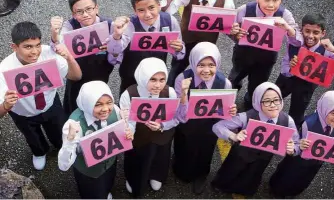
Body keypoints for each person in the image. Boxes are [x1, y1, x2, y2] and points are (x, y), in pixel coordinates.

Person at [0, 21, 82, 170]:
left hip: (51, 104)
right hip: (23, 113)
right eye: (27, 47)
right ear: (14, 47)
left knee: (59, 132)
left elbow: (76, 76)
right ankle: (39, 152)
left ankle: (61, 147)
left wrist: (69, 58)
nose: (35, 52)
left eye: (37, 45)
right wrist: (5, 105)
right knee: (32, 136)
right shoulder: (4, 69)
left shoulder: (48, 53)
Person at [269, 90, 334, 198]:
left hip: (317, 162)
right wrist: (298, 147)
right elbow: (296, 145)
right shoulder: (309, 123)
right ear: (324, 109)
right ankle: (276, 190)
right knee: (287, 177)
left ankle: (294, 192)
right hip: (298, 161)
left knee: (304, 178)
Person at [211, 82, 299, 196]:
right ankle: (220, 186)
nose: (273, 105)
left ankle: (244, 190)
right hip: (240, 156)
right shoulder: (246, 117)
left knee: (252, 175)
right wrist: (233, 136)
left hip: (263, 159)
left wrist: (293, 149)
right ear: (258, 102)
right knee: (231, 171)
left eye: (277, 99)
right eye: (267, 101)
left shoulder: (288, 120)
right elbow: (218, 126)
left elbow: (296, 142)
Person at [50, 0, 129, 115]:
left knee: (98, 104)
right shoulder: (69, 26)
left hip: (101, 74)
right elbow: (57, 47)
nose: (85, 14)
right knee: (74, 106)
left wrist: (116, 38)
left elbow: (116, 56)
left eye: (89, 9)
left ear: (96, 8)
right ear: (73, 14)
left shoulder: (110, 25)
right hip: (77, 77)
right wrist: (54, 35)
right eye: (79, 12)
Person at [172, 42, 237, 194]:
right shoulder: (182, 79)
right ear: (194, 61)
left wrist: (231, 111)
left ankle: (200, 174)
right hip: (186, 125)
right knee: (184, 148)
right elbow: (179, 116)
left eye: (211, 65)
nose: (206, 70)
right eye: (201, 65)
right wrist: (183, 95)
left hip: (209, 128)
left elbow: (225, 112)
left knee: (205, 151)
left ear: (218, 64)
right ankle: (181, 170)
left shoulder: (224, 83)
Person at [277, 13, 334, 128]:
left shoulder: (328, 52)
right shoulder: (295, 41)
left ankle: (290, 133)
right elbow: (285, 64)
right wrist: (291, 68)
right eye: (307, 31)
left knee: (296, 115)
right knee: (273, 99)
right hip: (287, 80)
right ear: (302, 31)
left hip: (306, 88)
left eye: (316, 32)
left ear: (323, 33)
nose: (311, 36)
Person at [119, 57, 189, 197]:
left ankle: (156, 175)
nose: (158, 85)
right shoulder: (128, 94)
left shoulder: (169, 92)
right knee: (136, 158)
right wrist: (129, 132)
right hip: (139, 137)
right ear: (143, 77)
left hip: (162, 134)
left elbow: (177, 117)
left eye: (162, 80)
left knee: (160, 156)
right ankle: (133, 179)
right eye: (153, 79)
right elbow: (128, 121)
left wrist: (163, 125)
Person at [161, 0, 235, 86]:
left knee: (205, 76)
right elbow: (167, 12)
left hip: (206, 47)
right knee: (175, 71)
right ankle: (170, 97)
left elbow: (230, 30)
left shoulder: (227, 3)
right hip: (185, 43)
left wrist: (234, 30)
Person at [228, 0, 298, 110]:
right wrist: (235, 34)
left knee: (257, 86)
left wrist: (288, 29)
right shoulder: (244, 10)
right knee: (234, 77)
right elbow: (230, 28)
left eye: (275, 0)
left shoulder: (285, 15)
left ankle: (249, 106)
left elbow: (296, 39)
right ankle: (230, 97)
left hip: (266, 60)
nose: (271, 5)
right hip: (243, 55)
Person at [58, 81, 134, 199]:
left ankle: (105, 192)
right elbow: (63, 165)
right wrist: (70, 140)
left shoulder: (115, 110)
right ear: (87, 103)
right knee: (90, 191)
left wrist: (128, 132)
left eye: (109, 102)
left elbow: (125, 131)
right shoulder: (73, 124)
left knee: (108, 181)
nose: (105, 109)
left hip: (109, 163)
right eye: (97, 104)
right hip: (89, 171)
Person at [116, 0, 185, 95]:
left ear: (159, 5)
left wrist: (179, 48)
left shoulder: (170, 22)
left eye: (151, 8)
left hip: (156, 79)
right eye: (141, 10)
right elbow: (115, 58)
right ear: (135, 11)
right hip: (131, 78)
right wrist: (116, 38)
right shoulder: (128, 26)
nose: (148, 14)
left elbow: (180, 54)